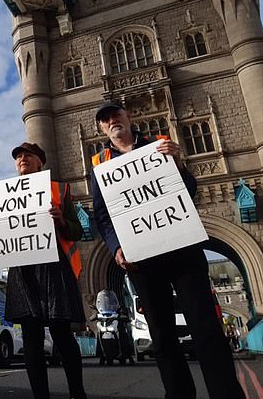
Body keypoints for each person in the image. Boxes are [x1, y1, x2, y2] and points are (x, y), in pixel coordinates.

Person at [91, 100, 245, 399]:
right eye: (105, 120)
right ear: (101, 128)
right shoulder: (100, 165)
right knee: (161, 336)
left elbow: (188, 190)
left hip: (182, 250)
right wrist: (115, 247)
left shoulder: (159, 148)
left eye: (116, 115)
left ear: (129, 116)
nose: (112, 121)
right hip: (141, 259)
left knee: (207, 329)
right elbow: (102, 215)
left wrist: (178, 164)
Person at [0, 143, 87, 399]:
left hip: (53, 267)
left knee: (62, 334)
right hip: (22, 270)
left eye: (27, 155)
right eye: (18, 156)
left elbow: (77, 230)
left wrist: (62, 220)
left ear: (40, 161)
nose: (21, 159)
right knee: (31, 337)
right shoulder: (5, 196)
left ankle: (78, 393)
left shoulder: (59, 189)